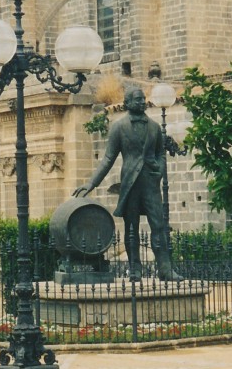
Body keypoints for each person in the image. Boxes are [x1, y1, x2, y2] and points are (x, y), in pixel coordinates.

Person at [74, 86, 180, 281]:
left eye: (142, 98)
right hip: (130, 184)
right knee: (131, 227)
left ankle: (165, 269)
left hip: (150, 184)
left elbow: (160, 153)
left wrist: (159, 169)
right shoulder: (118, 127)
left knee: (159, 226)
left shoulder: (155, 127)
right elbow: (108, 159)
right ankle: (135, 269)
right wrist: (91, 184)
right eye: (137, 99)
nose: (141, 102)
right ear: (128, 102)